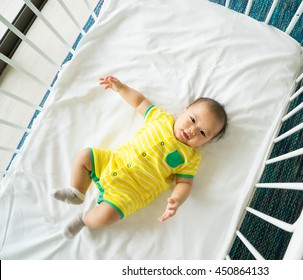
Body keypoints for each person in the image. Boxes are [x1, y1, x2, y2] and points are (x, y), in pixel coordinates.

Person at [53, 76, 228, 238]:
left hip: (129, 192)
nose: (192, 130)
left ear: (206, 141)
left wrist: (177, 200)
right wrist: (121, 88)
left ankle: (83, 219)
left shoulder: (190, 158)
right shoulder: (160, 119)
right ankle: (77, 192)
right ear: (184, 110)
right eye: (192, 120)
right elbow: (140, 102)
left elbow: (185, 183)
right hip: (111, 162)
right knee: (85, 156)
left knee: (107, 216)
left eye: (202, 133)